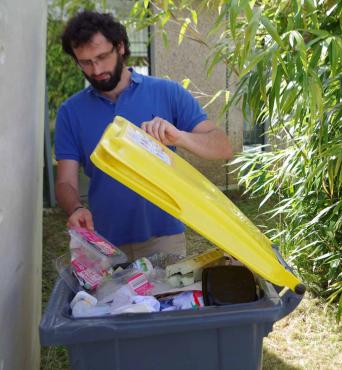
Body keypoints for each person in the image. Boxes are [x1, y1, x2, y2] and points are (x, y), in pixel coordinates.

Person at [55, 10, 233, 260]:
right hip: (103, 243)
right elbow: (65, 182)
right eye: (85, 62)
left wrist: (179, 137)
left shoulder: (167, 92)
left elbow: (223, 146)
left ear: (120, 47)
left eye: (102, 57)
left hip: (164, 238)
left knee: (168, 300)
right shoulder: (70, 112)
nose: (96, 69)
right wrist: (75, 209)